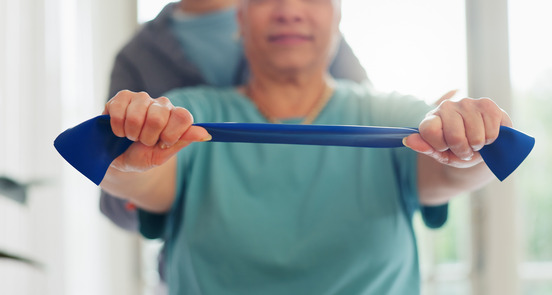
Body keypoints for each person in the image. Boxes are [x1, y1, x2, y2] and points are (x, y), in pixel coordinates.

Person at [100, 0, 511, 294]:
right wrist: (122, 162)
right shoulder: (193, 111)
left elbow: (453, 171)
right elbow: (137, 180)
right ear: (240, 19)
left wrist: (474, 144)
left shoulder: (390, 113)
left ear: (337, 17)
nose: (289, 9)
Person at [100, 0, 369, 232]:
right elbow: (117, 194)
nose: (289, 13)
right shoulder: (136, 57)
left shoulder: (298, 22)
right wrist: (149, 187)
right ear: (242, 21)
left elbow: (367, 132)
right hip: (204, 254)